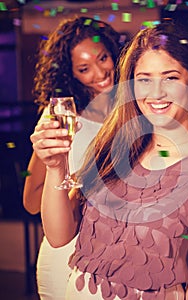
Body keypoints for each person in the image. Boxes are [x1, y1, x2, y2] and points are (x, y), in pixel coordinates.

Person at [32, 21, 188, 299]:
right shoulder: (115, 145)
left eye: (170, 78)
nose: (155, 93)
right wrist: (55, 166)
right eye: (144, 79)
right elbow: (60, 236)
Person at [23, 16, 122, 299]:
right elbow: (31, 202)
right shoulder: (61, 117)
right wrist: (79, 184)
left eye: (103, 58)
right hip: (66, 254)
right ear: (71, 74)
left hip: (118, 258)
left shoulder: (135, 107)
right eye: (84, 68)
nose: (100, 72)